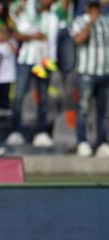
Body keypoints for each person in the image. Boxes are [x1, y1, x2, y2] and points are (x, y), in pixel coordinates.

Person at [6, 0, 59, 147]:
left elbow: (53, 41)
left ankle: (40, 133)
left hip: (45, 62)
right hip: (26, 60)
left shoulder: (55, 15)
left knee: (43, 99)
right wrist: (34, 36)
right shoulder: (26, 9)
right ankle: (15, 132)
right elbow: (15, 33)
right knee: (19, 97)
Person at [71, 0, 109, 157]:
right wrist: (89, 24)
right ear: (87, 8)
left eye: (97, 8)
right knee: (83, 109)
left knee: (104, 112)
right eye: (92, 7)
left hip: (105, 72)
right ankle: (82, 141)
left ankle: (101, 142)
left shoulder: (106, 21)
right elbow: (78, 40)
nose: (94, 10)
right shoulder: (79, 21)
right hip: (86, 72)